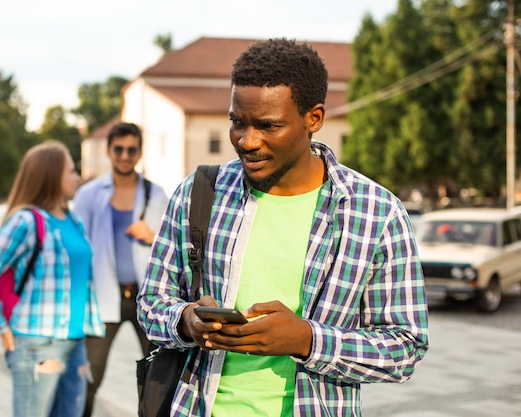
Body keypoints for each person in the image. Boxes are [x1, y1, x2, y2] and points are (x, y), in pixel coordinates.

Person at [137, 38, 429, 417]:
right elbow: (151, 304)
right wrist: (187, 320)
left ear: (315, 119)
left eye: (268, 126)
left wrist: (306, 339)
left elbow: (404, 347)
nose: (247, 140)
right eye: (237, 122)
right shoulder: (200, 192)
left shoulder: (376, 213)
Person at [0, 140, 104, 417]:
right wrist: (1, 327)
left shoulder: (74, 220)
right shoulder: (26, 221)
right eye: (71, 171)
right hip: (37, 344)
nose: (77, 177)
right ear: (52, 175)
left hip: (76, 341)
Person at [72, 122, 169, 417]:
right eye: (119, 149)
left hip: (147, 298)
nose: (125, 156)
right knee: (90, 376)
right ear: (109, 151)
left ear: (139, 152)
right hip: (104, 298)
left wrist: (152, 235)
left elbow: (173, 246)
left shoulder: (157, 194)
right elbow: (77, 250)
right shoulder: (89, 195)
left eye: (131, 150)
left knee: (159, 376)